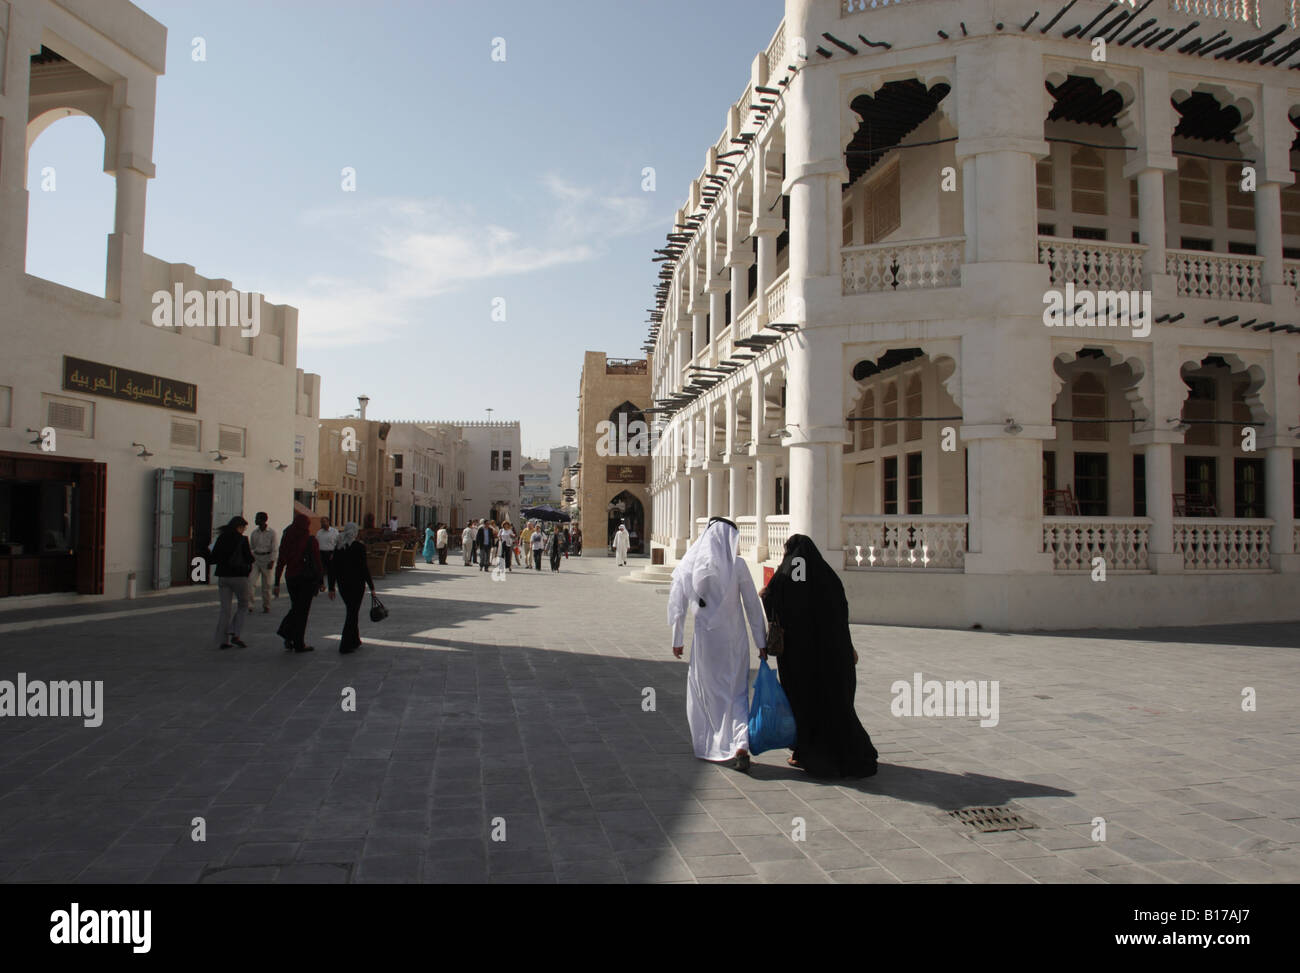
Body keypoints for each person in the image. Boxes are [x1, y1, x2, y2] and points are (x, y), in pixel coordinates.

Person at [762, 534, 878, 779]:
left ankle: (805, 753)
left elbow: (769, 598)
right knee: (835, 702)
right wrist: (849, 647)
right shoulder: (826, 576)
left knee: (803, 703)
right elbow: (839, 616)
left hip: (797, 658)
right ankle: (850, 753)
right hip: (832, 655)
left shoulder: (784, 576)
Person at [667, 517, 767, 772]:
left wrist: (677, 639)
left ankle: (711, 744)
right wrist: (761, 641)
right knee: (736, 691)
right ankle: (740, 743)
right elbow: (753, 607)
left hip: (706, 643)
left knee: (708, 692)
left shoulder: (690, 566)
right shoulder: (739, 566)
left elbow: (677, 604)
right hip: (734, 641)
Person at [274, 511, 323, 653]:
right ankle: (297, 642)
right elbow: (317, 562)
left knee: (296, 607)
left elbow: (281, 561)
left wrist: (277, 582)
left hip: (291, 578)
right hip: (305, 580)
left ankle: (289, 636)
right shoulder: (310, 540)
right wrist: (320, 580)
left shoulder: (287, 539)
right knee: (302, 611)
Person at [328, 521, 375, 655]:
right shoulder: (359, 547)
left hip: (343, 585)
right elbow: (364, 568)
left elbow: (333, 569)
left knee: (352, 611)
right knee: (352, 613)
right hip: (357, 585)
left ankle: (355, 640)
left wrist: (331, 587)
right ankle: (345, 644)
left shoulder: (339, 548)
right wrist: (371, 586)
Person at [208, 516, 253, 649]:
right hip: (239, 576)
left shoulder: (221, 538)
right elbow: (249, 558)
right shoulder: (242, 540)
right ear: (239, 527)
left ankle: (223, 640)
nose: (244, 530)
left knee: (225, 610)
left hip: (223, 577)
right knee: (243, 605)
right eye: (244, 528)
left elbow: (213, 558)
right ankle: (235, 632)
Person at [247, 511, 277, 613]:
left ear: (263, 520)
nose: (255, 520)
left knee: (267, 585)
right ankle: (250, 605)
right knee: (251, 582)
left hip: (267, 558)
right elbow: (251, 547)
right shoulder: (254, 533)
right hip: (256, 559)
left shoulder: (272, 533)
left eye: (257, 518)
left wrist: (272, 560)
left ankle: (266, 605)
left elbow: (274, 548)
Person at [316, 516, 341, 592]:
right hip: (321, 552)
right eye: (322, 522)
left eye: (324, 521)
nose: (323, 523)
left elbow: (338, 543)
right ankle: (321, 585)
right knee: (320, 570)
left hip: (331, 553)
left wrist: (334, 553)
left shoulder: (334, 531)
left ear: (328, 522)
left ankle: (331, 587)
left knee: (331, 571)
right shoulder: (319, 532)